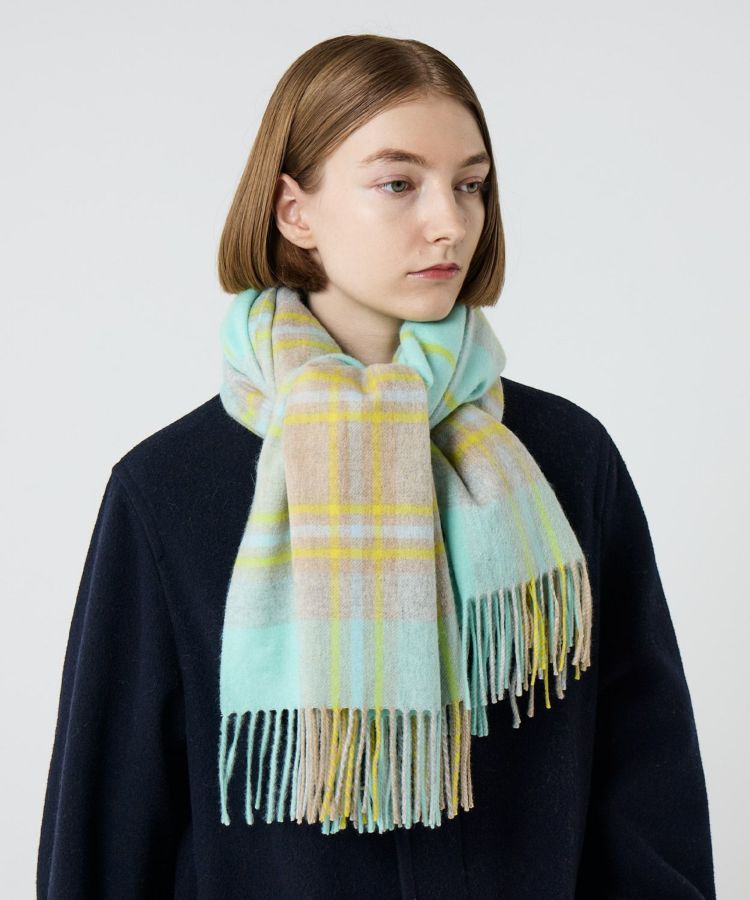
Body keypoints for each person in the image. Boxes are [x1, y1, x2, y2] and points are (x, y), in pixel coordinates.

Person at [36, 33, 716, 899]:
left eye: (470, 184)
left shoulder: (565, 458)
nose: (451, 222)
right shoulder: (170, 488)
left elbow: (648, 795)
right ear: (295, 212)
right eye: (399, 183)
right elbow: (105, 835)